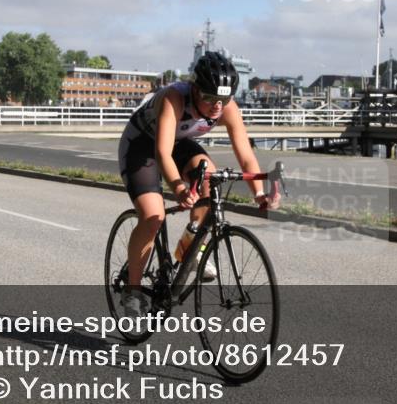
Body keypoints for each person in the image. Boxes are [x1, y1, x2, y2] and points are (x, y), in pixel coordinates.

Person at [117, 51, 280, 316]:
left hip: (179, 145)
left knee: (210, 179)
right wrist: (179, 187)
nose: (217, 106)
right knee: (153, 216)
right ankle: (132, 291)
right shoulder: (174, 98)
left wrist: (259, 193)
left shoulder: (227, 108)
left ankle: (189, 252)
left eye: (224, 99)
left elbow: (246, 154)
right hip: (142, 147)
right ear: (194, 90)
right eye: (209, 98)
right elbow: (162, 153)